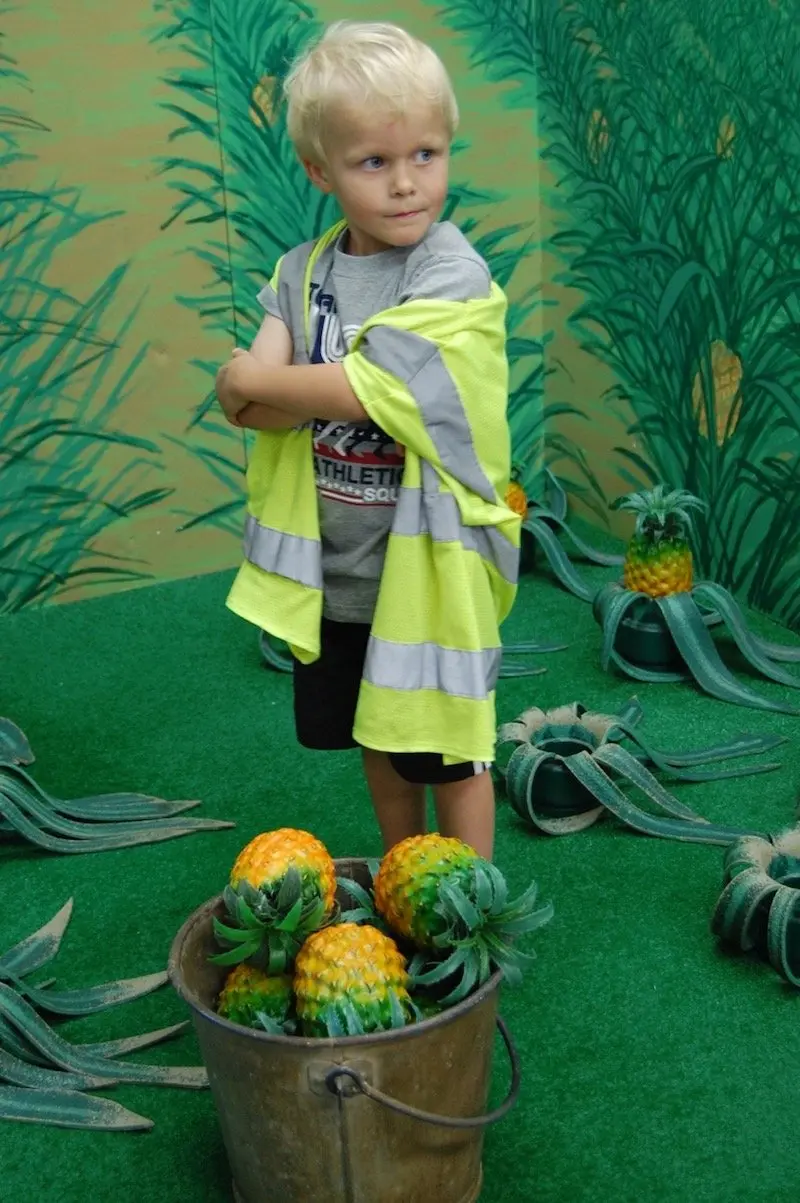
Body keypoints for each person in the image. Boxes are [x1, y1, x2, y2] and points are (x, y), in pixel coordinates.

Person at [215, 21, 520, 859]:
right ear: (321, 171)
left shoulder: (449, 274)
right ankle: (402, 868)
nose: (406, 184)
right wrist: (263, 390)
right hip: (343, 575)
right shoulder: (300, 274)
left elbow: (365, 389)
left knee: (452, 753)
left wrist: (252, 376)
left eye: (426, 154)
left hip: (428, 575)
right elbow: (264, 412)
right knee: (379, 740)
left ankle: (465, 899)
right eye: (373, 163)